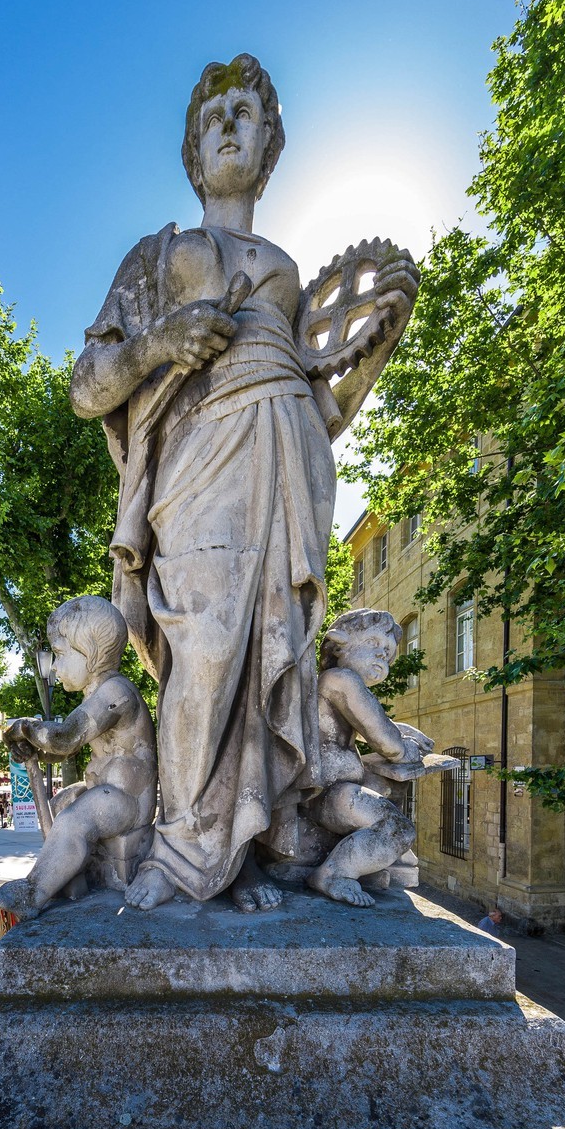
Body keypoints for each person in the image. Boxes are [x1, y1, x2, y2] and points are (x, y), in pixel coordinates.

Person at [69, 54, 418, 913]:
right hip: (199, 460)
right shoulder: (160, 255)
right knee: (208, 648)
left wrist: (374, 348)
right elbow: (88, 387)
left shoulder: (290, 269)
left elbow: (320, 403)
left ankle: (246, 853)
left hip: (289, 461)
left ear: (269, 145)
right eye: (213, 114)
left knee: (277, 660)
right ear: (193, 148)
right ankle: (182, 852)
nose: (228, 124)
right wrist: (157, 344)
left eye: (245, 114)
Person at [0, 597, 158, 920]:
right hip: (107, 791)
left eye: (60, 655)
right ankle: (70, 880)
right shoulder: (96, 694)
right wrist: (36, 751)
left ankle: (34, 891)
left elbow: (67, 738)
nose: (54, 667)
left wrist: (24, 728)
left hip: (129, 800)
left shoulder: (115, 693)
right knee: (60, 805)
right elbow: (62, 745)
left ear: (91, 652)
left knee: (73, 819)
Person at [305, 610, 432, 908]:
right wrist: (403, 748)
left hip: (337, 789)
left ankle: (367, 865)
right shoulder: (341, 679)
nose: (382, 654)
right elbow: (385, 741)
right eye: (373, 642)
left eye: (388, 651)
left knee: (387, 797)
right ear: (338, 645)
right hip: (329, 792)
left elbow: (363, 726)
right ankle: (333, 875)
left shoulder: (331, 683)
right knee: (398, 830)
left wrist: (401, 732)